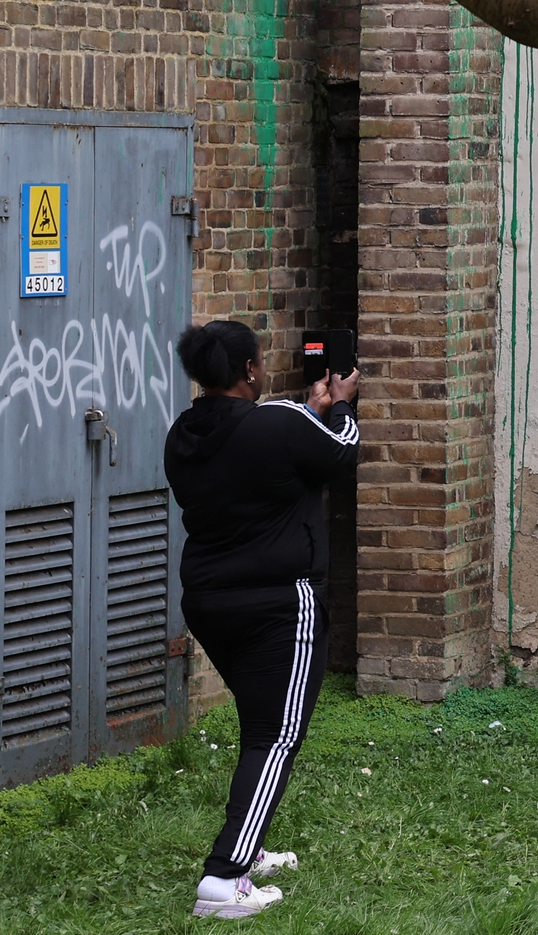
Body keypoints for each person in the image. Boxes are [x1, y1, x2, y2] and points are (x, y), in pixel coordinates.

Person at [164, 320, 359, 919]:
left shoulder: (182, 434)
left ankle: (248, 850)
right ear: (249, 371)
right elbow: (341, 450)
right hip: (279, 603)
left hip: (207, 599)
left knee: (260, 725)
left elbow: (271, 447)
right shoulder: (278, 422)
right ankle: (224, 880)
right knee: (276, 737)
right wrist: (340, 406)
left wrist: (308, 410)